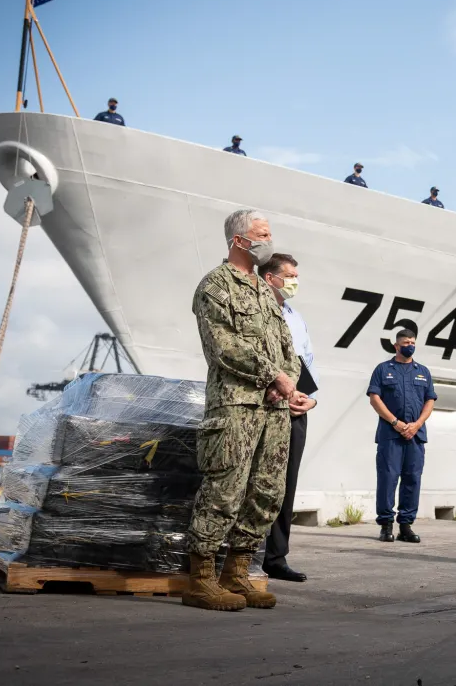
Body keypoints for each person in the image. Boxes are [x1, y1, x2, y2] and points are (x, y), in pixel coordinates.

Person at [183, 209, 310, 611]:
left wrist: (287, 385)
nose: (268, 241)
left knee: (265, 493)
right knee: (224, 490)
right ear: (240, 240)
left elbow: (289, 349)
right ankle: (200, 579)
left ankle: (236, 572)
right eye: (262, 234)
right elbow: (222, 346)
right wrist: (274, 376)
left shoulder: (264, 290)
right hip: (235, 407)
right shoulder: (215, 286)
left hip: (272, 411)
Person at [260, 253, 318, 582]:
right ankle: (243, 553)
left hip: (295, 409)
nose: (295, 281)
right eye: (290, 275)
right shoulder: (255, 310)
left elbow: (308, 362)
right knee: (255, 481)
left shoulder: (297, 318)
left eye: (296, 275)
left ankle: (275, 556)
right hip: (263, 407)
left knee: (286, 483)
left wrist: (309, 399)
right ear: (270, 278)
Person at [367, 329, 436, 545]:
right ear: (396, 346)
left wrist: (416, 425)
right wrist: (395, 423)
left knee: (412, 479)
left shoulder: (423, 371)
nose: (410, 345)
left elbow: (430, 400)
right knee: (388, 478)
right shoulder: (383, 369)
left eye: (413, 342)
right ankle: (386, 525)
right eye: (406, 342)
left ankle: (406, 526)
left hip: (415, 436)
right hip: (390, 435)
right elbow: (374, 398)